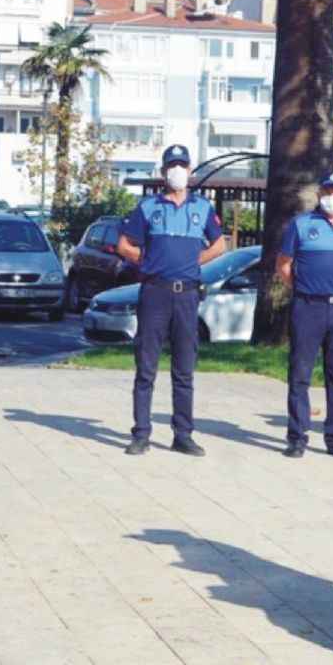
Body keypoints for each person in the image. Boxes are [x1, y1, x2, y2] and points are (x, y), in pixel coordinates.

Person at [116, 145, 227, 456]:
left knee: (184, 368)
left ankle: (183, 435)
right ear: (163, 172)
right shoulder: (148, 207)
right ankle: (141, 434)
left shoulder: (202, 208)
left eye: (182, 165)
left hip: (187, 294)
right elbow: (124, 245)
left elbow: (219, 246)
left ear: (190, 171)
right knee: (146, 365)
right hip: (155, 292)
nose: (177, 170)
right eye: (171, 165)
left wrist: (194, 261)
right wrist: (148, 261)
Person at [277, 172, 333, 459]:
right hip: (308, 307)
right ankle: (297, 436)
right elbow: (284, 265)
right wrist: (305, 288)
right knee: (300, 373)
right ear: (319, 194)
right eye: (328, 191)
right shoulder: (302, 224)